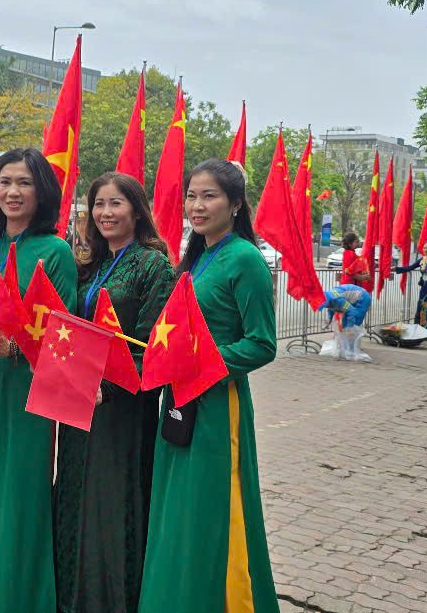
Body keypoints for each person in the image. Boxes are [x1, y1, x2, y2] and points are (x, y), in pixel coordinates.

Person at [139, 159, 279, 612]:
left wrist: (202, 362)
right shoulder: (198, 256)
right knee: (177, 509)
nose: (196, 207)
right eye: (192, 197)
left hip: (219, 407)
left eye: (209, 196)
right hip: (179, 399)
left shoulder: (246, 259)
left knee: (214, 509)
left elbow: (261, 344)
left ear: (236, 204)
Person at [0, 148, 78, 613]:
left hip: (28, 389)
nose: (12, 192)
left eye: (23, 183)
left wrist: (18, 350)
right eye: (4, 182)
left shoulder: (56, 251)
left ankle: (12, 598)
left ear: (41, 191)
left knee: (19, 492)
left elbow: (64, 335)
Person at [55, 172, 175, 613]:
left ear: (136, 210)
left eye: (116, 204)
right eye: (99, 205)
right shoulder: (88, 264)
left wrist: (111, 388)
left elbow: (152, 346)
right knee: (72, 491)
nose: (106, 213)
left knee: (110, 503)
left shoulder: (153, 265)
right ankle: (69, 597)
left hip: (122, 406)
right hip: (77, 400)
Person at [394, 241, 427, 331]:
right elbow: (410, 267)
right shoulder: (422, 260)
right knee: (421, 307)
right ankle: (419, 329)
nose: (425, 250)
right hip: (424, 288)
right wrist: (396, 268)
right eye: (424, 248)